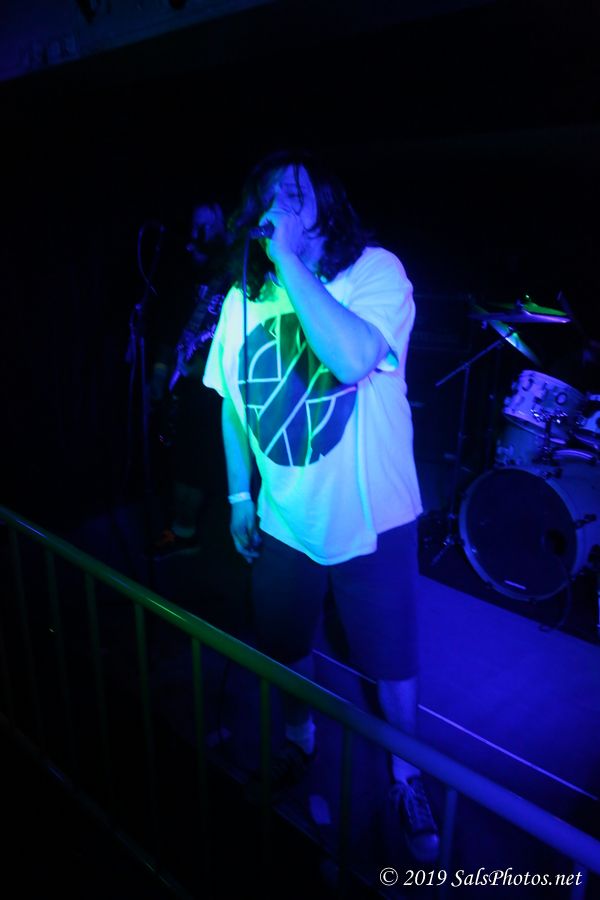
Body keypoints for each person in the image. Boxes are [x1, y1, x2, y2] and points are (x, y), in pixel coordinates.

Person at [202, 149, 439, 862]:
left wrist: (287, 261)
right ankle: (299, 739)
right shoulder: (243, 300)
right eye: (269, 195)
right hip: (286, 521)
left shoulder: (375, 273)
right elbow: (232, 402)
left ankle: (407, 777)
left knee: (390, 665)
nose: (279, 205)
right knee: (286, 646)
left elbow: (350, 358)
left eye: (296, 194)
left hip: (373, 521)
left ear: (325, 207)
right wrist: (239, 494)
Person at [149, 201, 232, 559]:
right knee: (178, 457)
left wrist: (200, 366)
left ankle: (186, 531)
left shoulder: (233, 270)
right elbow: (170, 323)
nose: (198, 234)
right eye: (195, 225)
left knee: (197, 461)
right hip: (182, 383)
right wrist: (160, 370)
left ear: (222, 226)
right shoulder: (186, 274)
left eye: (206, 225)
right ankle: (181, 529)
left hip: (211, 386)